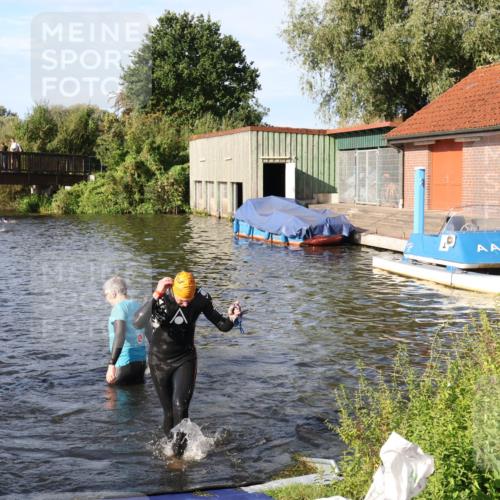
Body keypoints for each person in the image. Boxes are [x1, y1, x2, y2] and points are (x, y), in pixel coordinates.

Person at [133, 271, 241, 458]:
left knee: (180, 407)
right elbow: (137, 322)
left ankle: (178, 456)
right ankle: (171, 448)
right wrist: (156, 294)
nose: (185, 304)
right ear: (173, 291)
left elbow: (221, 325)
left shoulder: (200, 299)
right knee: (168, 412)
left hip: (185, 358)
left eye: (188, 300)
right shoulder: (162, 298)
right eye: (182, 300)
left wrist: (232, 318)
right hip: (159, 361)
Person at [103, 276, 147, 385]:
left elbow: (120, 335)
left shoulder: (119, 308)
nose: (106, 299)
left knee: (114, 399)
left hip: (124, 363)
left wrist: (111, 364)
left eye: (105, 295)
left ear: (113, 293)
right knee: (138, 399)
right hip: (141, 363)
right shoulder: (138, 305)